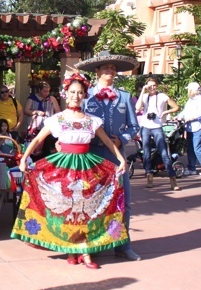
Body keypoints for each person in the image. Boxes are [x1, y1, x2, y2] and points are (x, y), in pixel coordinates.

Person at [12, 73, 128, 269]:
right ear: (66, 94)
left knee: (88, 211)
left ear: (84, 95)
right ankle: (71, 250)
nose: (76, 95)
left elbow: (107, 141)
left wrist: (120, 159)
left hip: (87, 168)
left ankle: (86, 252)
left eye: (80, 92)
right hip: (62, 168)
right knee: (66, 212)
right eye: (73, 92)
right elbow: (38, 139)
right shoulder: (57, 119)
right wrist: (24, 158)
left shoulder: (92, 120)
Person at [75, 51, 141, 261]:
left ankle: (123, 245)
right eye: (106, 68)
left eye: (113, 68)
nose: (110, 71)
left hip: (116, 156)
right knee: (93, 201)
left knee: (124, 201)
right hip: (92, 155)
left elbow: (134, 126)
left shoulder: (124, 96)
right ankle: (91, 246)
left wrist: (121, 139)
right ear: (97, 71)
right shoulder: (86, 96)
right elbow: (75, 120)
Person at [135, 76, 180, 190]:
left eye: (154, 85)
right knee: (146, 153)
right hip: (145, 126)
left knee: (164, 152)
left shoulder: (162, 96)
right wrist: (143, 92)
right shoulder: (144, 96)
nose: (152, 88)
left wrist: (165, 112)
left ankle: (172, 179)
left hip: (157, 127)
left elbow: (176, 107)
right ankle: (149, 175)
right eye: (150, 86)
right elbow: (138, 107)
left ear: (157, 86)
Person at [176, 82, 201, 176]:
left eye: (189, 89)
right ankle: (191, 168)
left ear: (193, 90)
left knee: (198, 149)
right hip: (190, 128)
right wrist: (178, 116)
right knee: (190, 149)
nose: (188, 91)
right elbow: (185, 111)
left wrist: (191, 118)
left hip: (199, 127)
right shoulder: (190, 100)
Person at [24, 81, 61, 156]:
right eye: (45, 91)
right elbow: (26, 110)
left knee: (48, 147)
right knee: (35, 148)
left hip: (48, 127)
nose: (47, 93)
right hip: (36, 127)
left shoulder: (52, 99)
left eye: (48, 91)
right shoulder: (32, 98)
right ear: (39, 90)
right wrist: (36, 112)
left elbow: (58, 111)